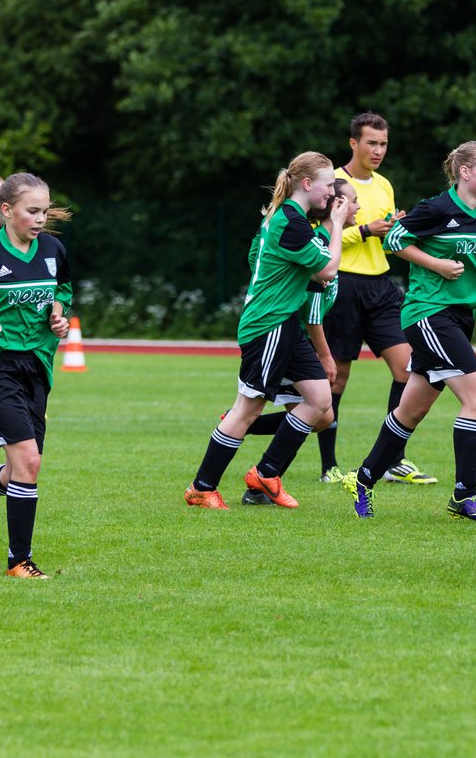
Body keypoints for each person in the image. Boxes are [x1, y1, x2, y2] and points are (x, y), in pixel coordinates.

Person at [341, 141, 476, 521]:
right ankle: (464, 497)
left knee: (410, 411)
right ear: (465, 172)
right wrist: (436, 263)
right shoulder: (437, 208)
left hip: (460, 317)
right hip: (428, 313)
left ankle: (364, 479)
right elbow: (394, 240)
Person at [183, 152, 350, 510]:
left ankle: (266, 473)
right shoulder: (290, 222)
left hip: (286, 323)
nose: (331, 194)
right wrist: (336, 224)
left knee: (321, 402)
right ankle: (201, 487)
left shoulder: (292, 218)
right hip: (268, 325)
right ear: (307, 184)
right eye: (327, 186)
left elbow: (256, 259)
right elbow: (328, 270)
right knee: (248, 409)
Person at [324, 113, 434, 486]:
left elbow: (386, 238)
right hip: (343, 284)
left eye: (383, 144)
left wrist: (393, 228)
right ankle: (329, 466)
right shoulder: (335, 183)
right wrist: (367, 230)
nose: (378, 150)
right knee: (336, 379)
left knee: (407, 369)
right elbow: (324, 236)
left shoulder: (384, 184)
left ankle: (391, 460)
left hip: (381, 286)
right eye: (371, 142)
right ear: (353, 143)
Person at [238, 179, 358, 503]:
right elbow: (314, 314)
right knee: (317, 411)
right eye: (351, 202)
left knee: (321, 415)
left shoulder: (325, 241)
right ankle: (258, 469)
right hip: (288, 338)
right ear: (335, 207)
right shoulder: (318, 241)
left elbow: (254, 254)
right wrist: (325, 356)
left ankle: (260, 475)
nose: (356, 207)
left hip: (292, 338)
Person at [0, 173, 72, 578]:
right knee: (28, 462)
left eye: (44, 210)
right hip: (1, 366)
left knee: (21, 468)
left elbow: (64, 289)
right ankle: (19, 562)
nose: (41, 218)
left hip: (37, 366)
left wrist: (59, 317)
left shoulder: (53, 249)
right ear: (7, 211)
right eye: (32, 211)